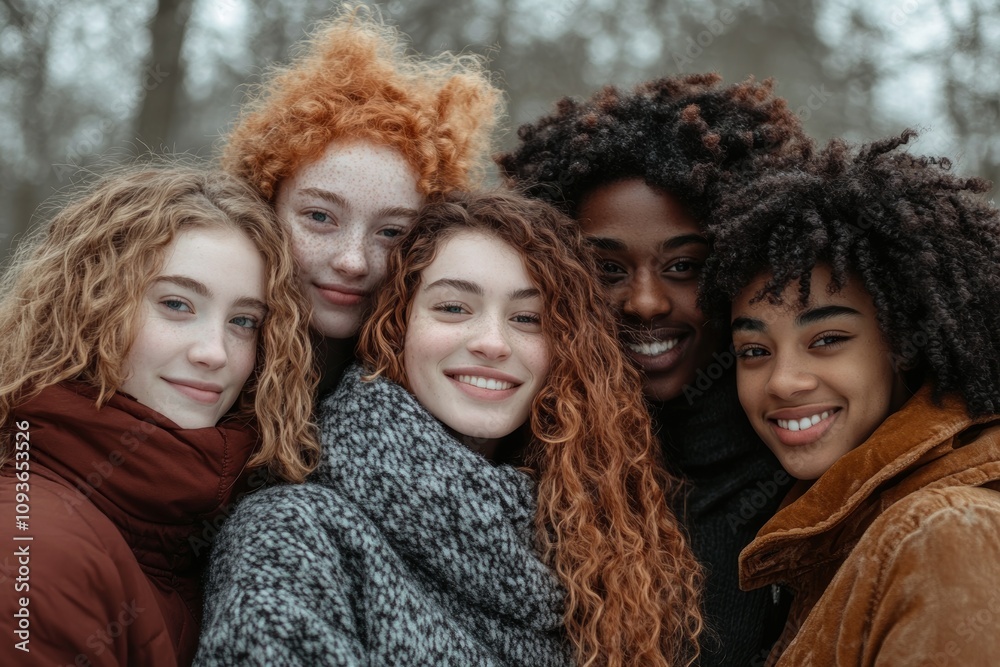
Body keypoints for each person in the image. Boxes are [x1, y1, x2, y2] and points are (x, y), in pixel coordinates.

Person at [195, 190, 704, 667]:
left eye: (528, 318)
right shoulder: (296, 532)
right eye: (454, 308)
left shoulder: (595, 546)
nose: (492, 342)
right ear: (397, 328)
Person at [496, 73, 812, 665]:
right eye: (607, 270)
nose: (645, 301)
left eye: (685, 266)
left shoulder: (807, 457)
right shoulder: (510, 454)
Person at [699, 130, 1000, 665]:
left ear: (904, 343)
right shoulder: (836, 530)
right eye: (753, 350)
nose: (783, 382)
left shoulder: (944, 534)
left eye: (828, 340)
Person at [0, 166, 319, 666]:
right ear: (91, 306)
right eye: (177, 304)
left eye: (242, 321)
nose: (214, 352)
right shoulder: (36, 549)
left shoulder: (190, 533)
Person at [221, 6, 501, 393]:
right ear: (264, 206)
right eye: (320, 217)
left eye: (390, 232)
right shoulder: (197, 366)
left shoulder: (459, 390)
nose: (353, 261)